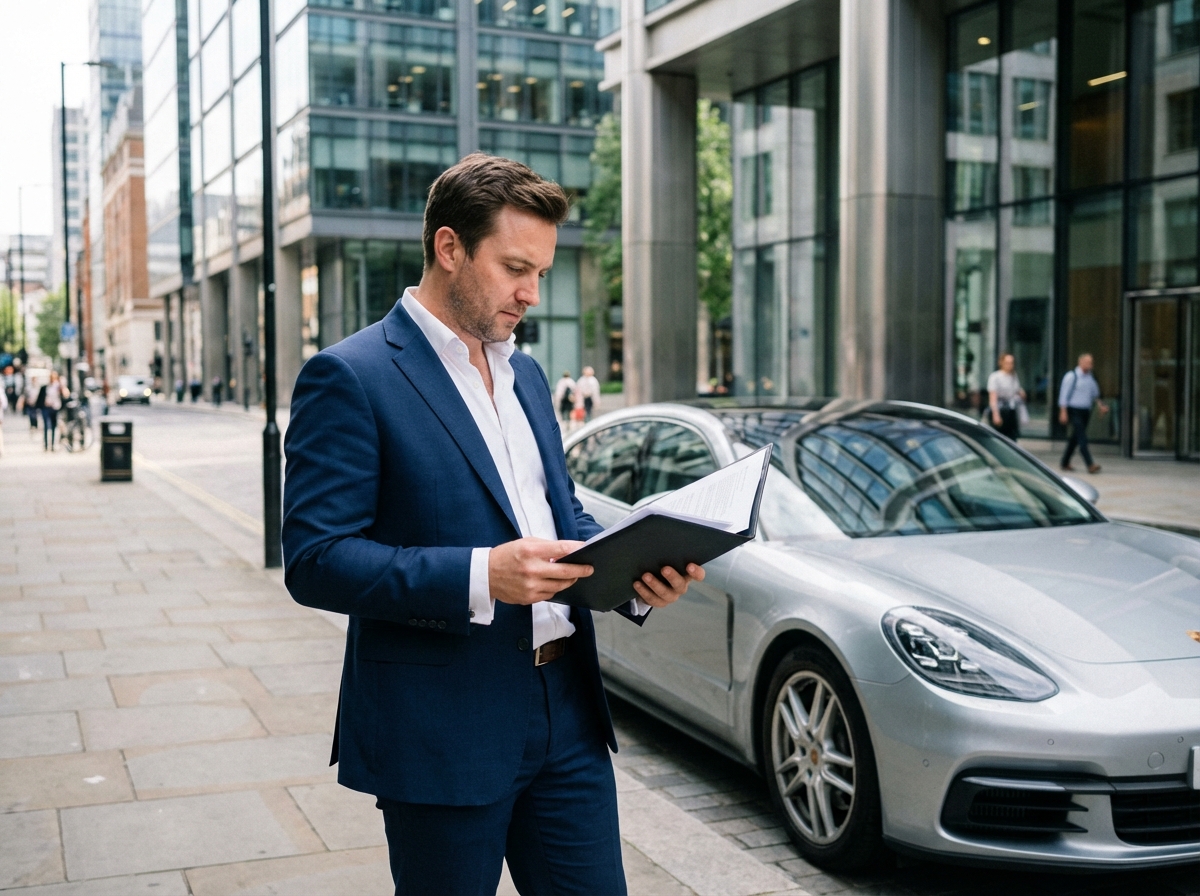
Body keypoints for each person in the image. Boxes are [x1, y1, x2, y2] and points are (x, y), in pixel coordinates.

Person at [282, 153, 704, 896]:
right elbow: (315, 559)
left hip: (567, 716)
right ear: (450, 248)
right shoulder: (351, 376)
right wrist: (484, 575)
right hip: (442, 729)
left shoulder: (528, 374)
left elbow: (559, 517)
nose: (531, 293)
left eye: (540, 272)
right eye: (515, 268)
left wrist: (633, 578)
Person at [1058, 353, 1108, 474]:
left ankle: (1065, 461)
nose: (1090, 365)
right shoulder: (1072, 376)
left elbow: (1095, 395)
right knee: (1081, 437)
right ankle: (1090, 463)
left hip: (1085, 411)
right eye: (1087, 362)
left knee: (1075, 438)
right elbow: (1063, 394)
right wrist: (1063, 411)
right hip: (1074, 410)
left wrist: (1101, 406)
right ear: (1080, 362)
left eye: (1091, 363)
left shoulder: (1091, 378)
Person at [986, 353, 1025, 440]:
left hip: (1011, 409)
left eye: (1011, 363)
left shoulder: (1013, 376)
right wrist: (996, 414)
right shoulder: (995, 377)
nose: (1010, 365)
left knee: (1012, 437)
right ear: (1002, 363)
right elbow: (993, 398)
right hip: (1000, 409)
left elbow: (1016, 390)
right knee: (999, 437)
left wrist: (1021, 393)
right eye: (1007, 363)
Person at [38, 371, 68, 452]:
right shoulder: (45, 387)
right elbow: (40, 398)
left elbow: (66, 395)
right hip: (46, 408)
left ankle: (52, 445)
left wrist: (62, 385)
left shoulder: (58, 387)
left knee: (54, 427)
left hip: (55, 408)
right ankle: (46, 445)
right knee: (46, 426)